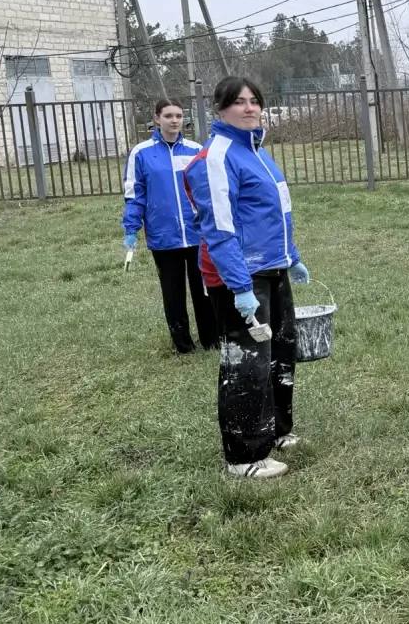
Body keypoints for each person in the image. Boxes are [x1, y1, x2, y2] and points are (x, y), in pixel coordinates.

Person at [184, 76, 311, 480]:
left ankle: (276, 432)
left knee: (280, 355)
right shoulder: (216, 158)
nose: (250, 108)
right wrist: (240, 288)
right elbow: (220, 231)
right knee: (246, 365)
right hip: (241, 278)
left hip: (274, 269)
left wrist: (292, 257)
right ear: (220, 109)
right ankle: (244, 456)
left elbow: (278, 215)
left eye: (255, 100)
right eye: (239, 102)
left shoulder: (258, 151)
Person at [121, 99, 218, 355]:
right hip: (164, 235)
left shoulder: (195, 149)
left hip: (197, 234)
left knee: (204, 290)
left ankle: (211, 339)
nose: (174, 120)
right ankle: (182, 344)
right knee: (172, 292)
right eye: (168, 115)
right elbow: (135, 193)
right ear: (157, 119)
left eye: (178, 115)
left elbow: (208, 189)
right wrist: (131, 227)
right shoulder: (141, 153)